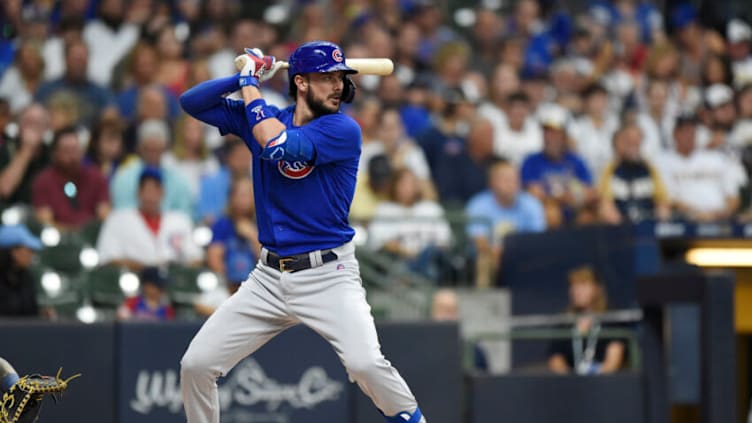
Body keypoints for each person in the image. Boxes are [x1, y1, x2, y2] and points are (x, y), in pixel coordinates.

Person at [179, 41, 427, 423]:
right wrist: (243, 75)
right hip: (268, 277)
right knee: (196, 364)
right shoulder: (264, 114)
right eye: (326, 78)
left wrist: (249, 83)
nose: (338, 86)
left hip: (329, 274)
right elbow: (191, 102)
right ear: (301, 83)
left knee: (365, 364)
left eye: (340, 78)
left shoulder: (342, 128)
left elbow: (276, 143)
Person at [96, 167, 202, 271]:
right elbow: (107, 258)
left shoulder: (180, 220)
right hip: (133, 281)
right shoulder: (117, 219)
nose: (151, 196)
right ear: (138, 193)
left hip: (175, 282)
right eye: (147, 190)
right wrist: (148, 269)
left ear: (162, 192)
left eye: (155, 190)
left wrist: (175, 268)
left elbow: (196, 257)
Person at [466, 159, 546, 287]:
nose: (511, 184)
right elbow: (479, 241)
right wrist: (497, 254)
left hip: (522, 254)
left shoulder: (531, 204)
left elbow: (536, 239)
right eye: (505, 179)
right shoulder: (478, 204)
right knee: (484, 260)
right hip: (489, 256)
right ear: (492, 183)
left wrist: (510, 254)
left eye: (514, 179)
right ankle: (485, 299)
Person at [367, 168, 452, 282]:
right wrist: (411, 254)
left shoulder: (432, 208)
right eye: (403, 184)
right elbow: (382, 243)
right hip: (399, 262)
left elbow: (444, 241)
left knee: (432, 257)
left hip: (431, 261)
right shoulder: (384, 209)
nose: (408, 188)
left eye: (412, 183)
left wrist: (422, 256)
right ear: (394, 185)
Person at [656, 114, 739, 222]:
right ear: (675, 133)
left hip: (722, 219)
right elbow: (669, 199)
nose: (689, 135)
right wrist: (697, 214)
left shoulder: (715, 157)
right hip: (687, 221)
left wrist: (725, 212)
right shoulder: (662, 160)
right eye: (684, 131)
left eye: (692, 131)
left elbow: (732, 195)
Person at [547, 266, 626, 375]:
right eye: (573, 286)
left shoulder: (611, 320)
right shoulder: (565, 322)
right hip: (572, 387)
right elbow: (555, 358)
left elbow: (614, 359)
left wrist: (594, 382)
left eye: (583, 285)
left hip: (605, 384)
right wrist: (572, 381)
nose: (576, 291)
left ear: (597, 288)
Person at [31, 126, 111, 230]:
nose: (72, 156)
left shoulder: (96, 177)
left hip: (92, 238)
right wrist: (74, 232)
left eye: (75, 150)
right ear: (55, 154)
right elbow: (45, 223)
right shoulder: (43, 181)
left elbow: (104, 215)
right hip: (58, 240)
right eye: (66, 151)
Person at [598, 123, 671, 223]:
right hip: (621, 228)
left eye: (636, 141)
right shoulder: (610, 170)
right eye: (628, 141)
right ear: (619, 143)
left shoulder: (649, 169)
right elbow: (606, 205)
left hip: (648, 226)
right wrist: (620, 224)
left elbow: (662, 201)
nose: (633, 145)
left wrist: (661, 217)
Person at [206, 177, 261, 294]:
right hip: (227, 285)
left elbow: (265, 259)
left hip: (256, 284)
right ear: (231, 198)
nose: (243, 200)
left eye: (247, 195)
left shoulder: (261, 225)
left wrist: (252, 236)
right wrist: (230, 283)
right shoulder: (222, 224)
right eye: (240, 195)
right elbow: (214, 259)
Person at [0, 224, 42, 317]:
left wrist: (40, 315)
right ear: (13, 251)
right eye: (29, 250)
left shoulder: (27, 279)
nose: (31, 255)